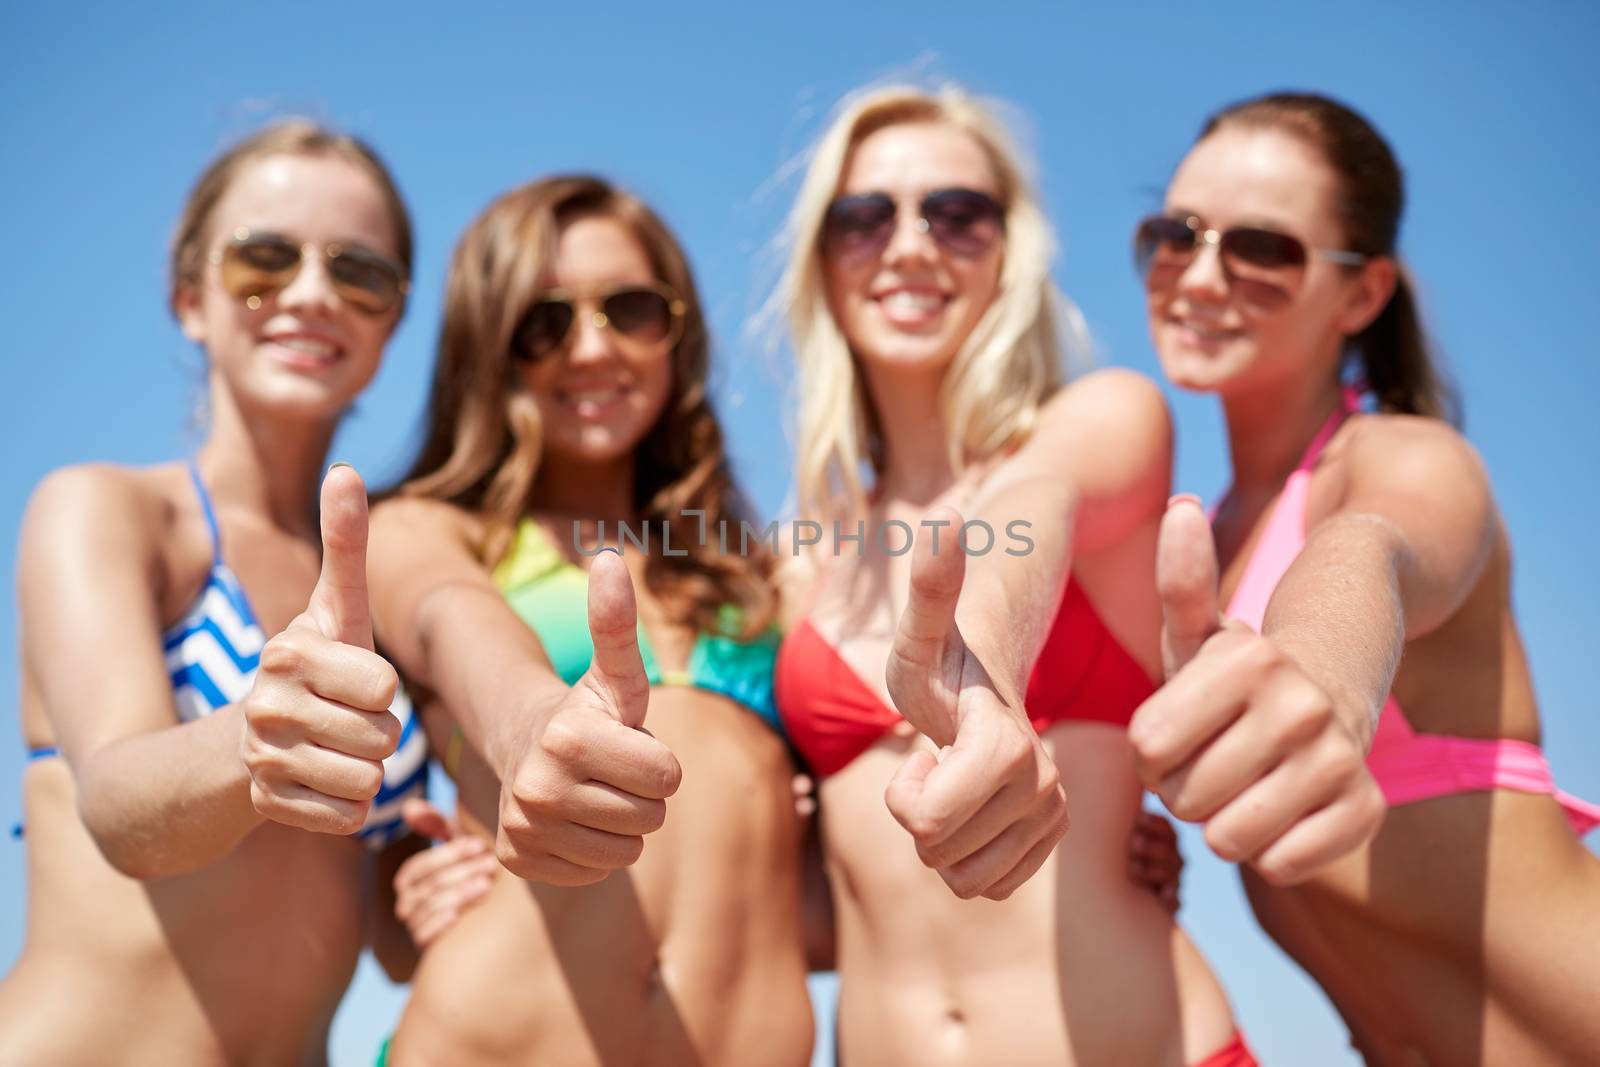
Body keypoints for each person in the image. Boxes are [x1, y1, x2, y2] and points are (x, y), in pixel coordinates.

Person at [770, 83, 1253, 1067]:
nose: (909, 246)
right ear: (821, 258)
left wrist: (975, 664)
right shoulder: (797, 559)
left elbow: (1029, 509)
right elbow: (833, 901)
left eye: (956, 214)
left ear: (1009, 250)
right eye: (864, 217)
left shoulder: (1105, 418)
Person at [1132, 89, 1600, 1065]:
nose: (1200, 275)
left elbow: (1369, 550)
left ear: (1361, 292)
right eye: (1175, 234)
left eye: (1263, 248)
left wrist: (1321, 674)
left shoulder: (1404, 457)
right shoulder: (1197, 546)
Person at [0, 120, 428, 1063]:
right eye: (264, 258)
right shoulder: (113, 512)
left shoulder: (385, 570)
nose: (312, 293)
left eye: (359, 272)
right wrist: (255, 734)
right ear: (191, 297)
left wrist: (437, 880)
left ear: (393, 320)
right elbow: (117, 803)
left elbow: (387, 942)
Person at [366, 175, 813, 1065]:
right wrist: (533, 722)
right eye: (543, 323)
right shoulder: (427, 531)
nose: (590, 348)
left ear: (677, 333)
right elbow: (454, 623)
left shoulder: (755, 572)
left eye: (631, 309)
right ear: (487, 349)